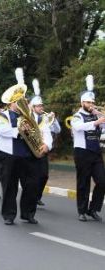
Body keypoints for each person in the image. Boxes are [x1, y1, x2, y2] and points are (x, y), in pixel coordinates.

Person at [0, 68, 52, 225]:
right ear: (12, 103)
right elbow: (0, 129)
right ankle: (9, 215)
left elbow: (45, 131)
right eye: (19, 101)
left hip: (30, 155)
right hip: (9, 155)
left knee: (32, 185)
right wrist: (19, 131)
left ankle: (28, 214)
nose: (24, 102)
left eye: (25, 99)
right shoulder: (3, 115)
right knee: (9, 186)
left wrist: (47, 144)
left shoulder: (35, 116)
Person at [71, 75, 105, 222]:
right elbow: (78, 128)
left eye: (92, 102)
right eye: (88, 102)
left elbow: (103, 128)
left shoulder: (96, 115)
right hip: (82, 153)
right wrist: (97, 122)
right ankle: (82, 211)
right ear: (82, 102)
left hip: (96, 153)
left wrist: (101, 117)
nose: (91, 104)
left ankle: (93, 209)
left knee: (102, 181)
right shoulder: (77, 116)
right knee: (83, 182)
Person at [30, 79, 60, 206]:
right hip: (30, 150)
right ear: (32, 107)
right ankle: (30, 197)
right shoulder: (28, 117)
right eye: (38, 106)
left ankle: (37, 197)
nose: (41, 108)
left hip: (42, 149)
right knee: (31, 177)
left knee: (44, 176)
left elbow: (57, 130)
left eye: (42, 106)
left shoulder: (45, 118)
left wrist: (53, 120)